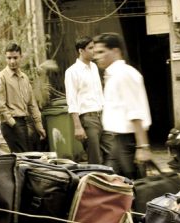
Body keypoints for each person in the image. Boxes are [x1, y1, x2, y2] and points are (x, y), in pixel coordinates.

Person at [93, 32, 152, 179]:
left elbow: (135, 112)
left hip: (128, 142)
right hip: (116, 140)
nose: (96, 57)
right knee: (114, 183)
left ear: (115, 51)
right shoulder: (112, 75)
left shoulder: (123, 74)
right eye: (95, 53)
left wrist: (142, 147)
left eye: (101, 52)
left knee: (134, 185)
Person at [0, 43, 46, 153]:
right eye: (9, 58)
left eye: (15, 58)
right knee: (22, 157)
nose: (12, 61)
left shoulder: (24, 77)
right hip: (11, 124)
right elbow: (0, 103)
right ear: (5, 58)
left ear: (21, 57)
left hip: (25, 121)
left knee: (30, 155)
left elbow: (32, 104)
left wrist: (39, 125)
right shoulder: (1, 77)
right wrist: (12, 122)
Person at [64, 36, 105, 164]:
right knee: (95, 159)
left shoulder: (94, 67)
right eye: (90, 48)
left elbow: (99, 94)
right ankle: (94, 183)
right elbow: (72, 100)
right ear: (81, 51)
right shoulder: (72, 72)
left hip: (102, 116)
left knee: (108, 155)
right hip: (88, 119)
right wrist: (77, 127)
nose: (94, 50)